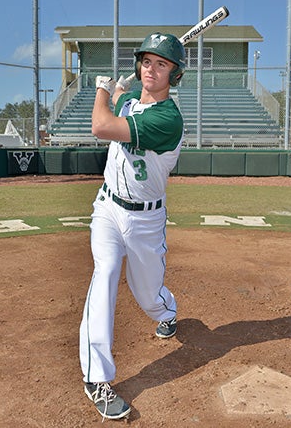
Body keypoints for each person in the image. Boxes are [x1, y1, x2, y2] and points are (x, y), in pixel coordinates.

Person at [79, 32, 186, 421]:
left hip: (145, 220)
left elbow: (101, 127)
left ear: (174, 75)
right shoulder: (129, 101)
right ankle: (96, 378)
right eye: (147, 61)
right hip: (108, 207)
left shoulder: (167, 119)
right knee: (105, 272)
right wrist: (122, 93)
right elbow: (122, 111)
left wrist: (104, 91)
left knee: (147, 294)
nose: (151, 68)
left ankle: (166, 312)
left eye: (162, 64)